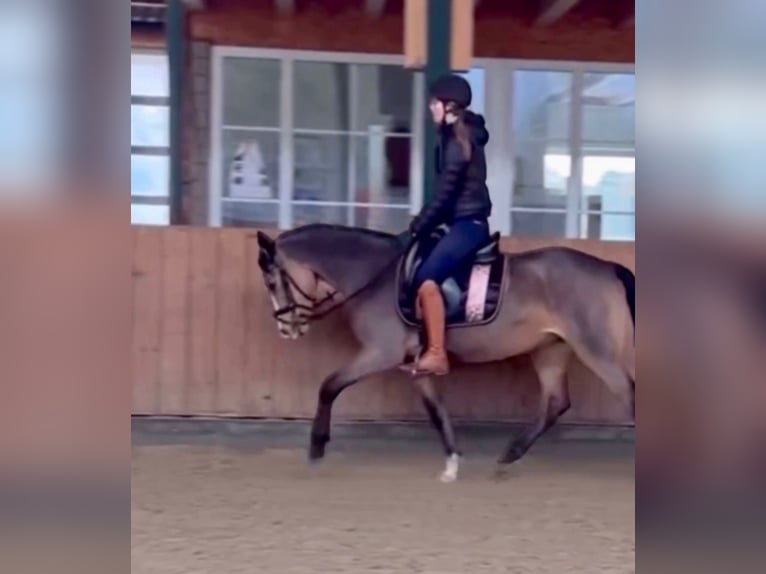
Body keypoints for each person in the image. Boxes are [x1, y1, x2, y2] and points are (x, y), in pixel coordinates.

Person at [404, 73, 492, 376]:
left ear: (449, 106)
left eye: (434, 103)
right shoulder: (456, 137)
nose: (430, 108)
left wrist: (416, 228)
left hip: (468, 223)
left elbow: (443, 197)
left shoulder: (457, 143)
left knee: (426, 278)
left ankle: (437, 354)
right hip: (463, 220)